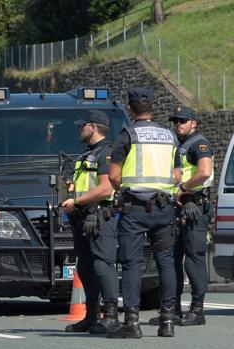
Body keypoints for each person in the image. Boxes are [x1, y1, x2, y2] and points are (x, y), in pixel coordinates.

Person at [107, 87, 182, 339]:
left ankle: (132, 322)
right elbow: (177, 176)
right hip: (164, 208)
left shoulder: (126, 135)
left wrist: (124, 189)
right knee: (166, 262)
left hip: (135, 208)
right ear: (152, 107)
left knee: (132, 264)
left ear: (130, 109)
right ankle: (168, 321)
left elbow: (114, 175)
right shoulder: (169, 136)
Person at [149, 106, 214, 327]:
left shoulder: (199, 143)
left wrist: (184, 188)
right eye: (176, 121)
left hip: (194, 207)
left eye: (183, 121)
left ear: (193, 123)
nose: (178, 124)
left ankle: (197, 310)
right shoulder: (178, 144)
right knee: (171, 259)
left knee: (194, 259)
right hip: (176, 208)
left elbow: (204, 171)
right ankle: (172, 310)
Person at [60, 110, 119, 334]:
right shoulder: (87, 154)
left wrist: (77, 199)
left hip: (99, 217)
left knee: (102, 265)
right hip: (83, 218)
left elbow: (106, 188)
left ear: (93, 127)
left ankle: (111, 316)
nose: (79, 129)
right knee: (85, 267)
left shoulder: (107, 153)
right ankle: (92, 316)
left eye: (81, 125)